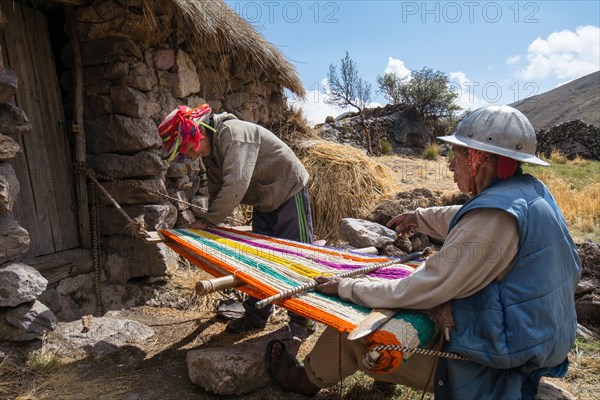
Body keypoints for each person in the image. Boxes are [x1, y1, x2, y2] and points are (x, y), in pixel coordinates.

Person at [265, 105, 582, 398]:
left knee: (356, 332)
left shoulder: (493, 219)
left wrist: (348, 287)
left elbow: (423, 287)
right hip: (530, 343)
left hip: (493, 360)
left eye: (455, 155)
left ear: (478, 158)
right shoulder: (530, 194)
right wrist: (419, 218)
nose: (449, 165)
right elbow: (468, 217)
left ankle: (302, 381)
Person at [159, 104, 315, 339]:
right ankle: (256, 315)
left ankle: (304, 320)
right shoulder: (211, 152)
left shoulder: (233, 134)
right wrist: (209, 221)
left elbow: (236, 185)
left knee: (296, 256)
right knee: (260, 260)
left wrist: (209, 221)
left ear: (197, 133)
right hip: (264, 199)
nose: (189, 156)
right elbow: (217, 188)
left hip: (288, 189)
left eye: (187, 149)